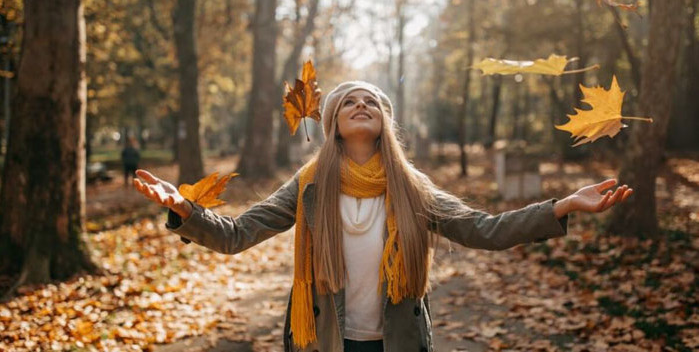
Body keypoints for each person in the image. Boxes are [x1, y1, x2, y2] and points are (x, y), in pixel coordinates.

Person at [133, 81, 632, 352]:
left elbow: (485, 230)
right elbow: (238, 234)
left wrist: (563, 205)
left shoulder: (411, 187)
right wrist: (184, 210)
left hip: (398, 341)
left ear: (383, 124)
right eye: (349, 101)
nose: (361, 104)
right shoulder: (308, 185)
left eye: (371, 101)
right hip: (324, 340)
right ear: (333, 125)